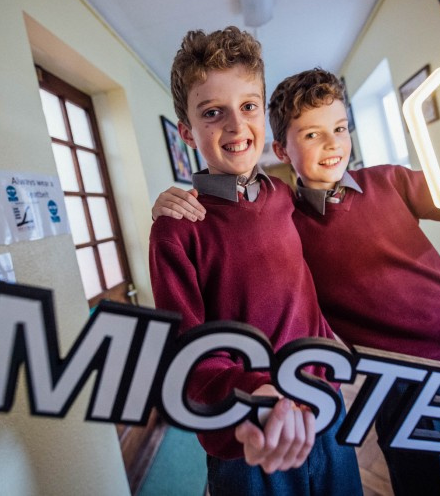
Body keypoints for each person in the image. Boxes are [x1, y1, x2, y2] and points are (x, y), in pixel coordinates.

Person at [154, 68, 440, 495]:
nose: (332, 144)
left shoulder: (391, 181)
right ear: (282, 149)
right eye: (311, 135)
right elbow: (241, 223)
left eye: (341, 128)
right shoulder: (287, 217)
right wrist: (172, 199)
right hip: (401, 389)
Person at [149, 30, 362, 495]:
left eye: (248, 106)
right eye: (211, 113)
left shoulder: (286, 197)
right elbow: (188, 350)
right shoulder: (177, 227)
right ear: (186, 131)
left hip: (323, 408)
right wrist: (253, 396)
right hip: (250, 430)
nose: (235, 125)